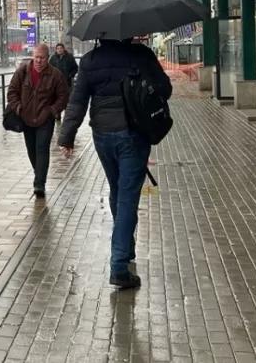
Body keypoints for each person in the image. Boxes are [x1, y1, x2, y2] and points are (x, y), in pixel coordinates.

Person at [58, 38, 171, 290]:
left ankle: (127, 247)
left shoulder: (89, 61)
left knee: (118, 190)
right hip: (133, 134)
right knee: (127, 198)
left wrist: (67, 136)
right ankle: (119, 266)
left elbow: (77, 102)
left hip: (103, 136)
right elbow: (165, 89)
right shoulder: (141, 55)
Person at [7, 43, 69, 198]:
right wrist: (18, 108)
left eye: (42, 58)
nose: (39, 61)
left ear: (47, 58)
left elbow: (63, 96)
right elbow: (12, 91)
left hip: (45, 119)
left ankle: (39, 184)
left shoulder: (55, 75)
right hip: (26, 118)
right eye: (36, 57)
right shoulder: (23, 71)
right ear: (32, 57)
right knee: (32, 150)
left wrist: (52, 110)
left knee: (42, 149)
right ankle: (39, 173)